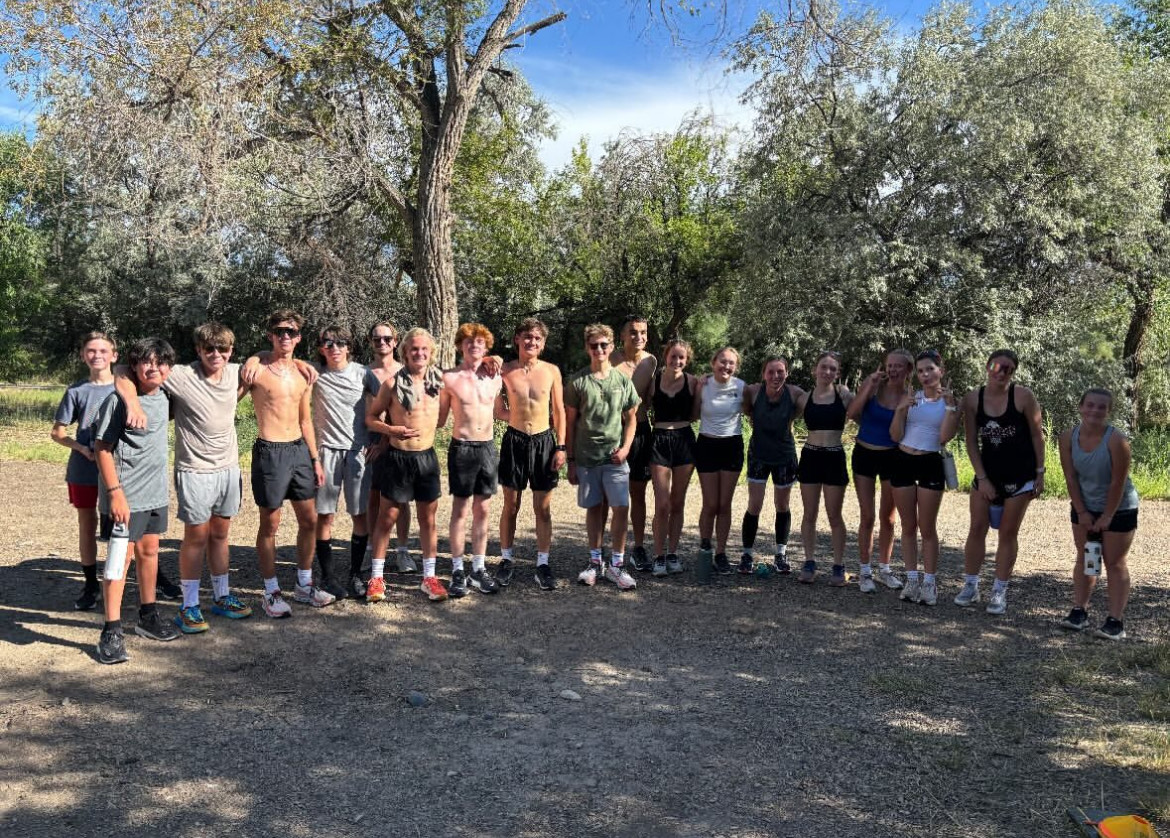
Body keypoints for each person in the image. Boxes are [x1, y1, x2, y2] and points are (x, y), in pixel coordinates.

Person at [115, 323, 253, 634]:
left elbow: (267, 363)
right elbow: (123, 369)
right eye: (209, 349)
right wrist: (133, 403)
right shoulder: (180, 374)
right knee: (196, 537)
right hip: (194, 469)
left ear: (231, 351)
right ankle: (188, 605)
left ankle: (221, 595)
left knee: (220, 534)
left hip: (229, 467)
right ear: (198, 350)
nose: (216, 354)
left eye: (223, 349)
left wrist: (256, 360)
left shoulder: (237, 372)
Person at [92, 338, 180, 663]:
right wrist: (115, 494)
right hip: (125, 499)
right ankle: (111, 630)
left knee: (150, 552)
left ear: (169, 368)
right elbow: (102, 448)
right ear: (134, 366)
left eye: (160, 362)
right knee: (120, 561)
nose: (152, 367)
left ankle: (148, 616)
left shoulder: (168, 396)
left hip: (155, 494)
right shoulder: (118, 401)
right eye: (145, 361)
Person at [244, 309, 334, 616]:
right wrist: (253, 357)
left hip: (298, 450)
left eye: (292, 332)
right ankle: (270, 592)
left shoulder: (303, 373)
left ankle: (304, 585)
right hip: (270, 450)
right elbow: (227, 398)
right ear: (270, 334)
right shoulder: (256, 369)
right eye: (280, 330)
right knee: (270, 524)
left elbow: (305, 420)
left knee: (309, 520)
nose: (286, 336)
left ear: (298, 337)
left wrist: (315, 460)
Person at [955, 349, 1046, 615]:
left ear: (1013, 372)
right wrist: (982, 478)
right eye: (998, 366)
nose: (1002, 372)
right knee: (977, 529)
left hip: (1020, 475)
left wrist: (1040, 472)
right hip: (988, 473)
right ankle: (970, 585)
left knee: (1007, 533)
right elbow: (971, 440)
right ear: (988, 366)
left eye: (1009, 368)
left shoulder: (1023, 396)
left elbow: (1037, 435)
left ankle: (999, 590)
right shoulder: (973, 399)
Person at [365, 328, 446, 602]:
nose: (419, 353)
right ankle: (376, 578)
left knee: (428, 520)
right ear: (405, 352)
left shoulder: (440, 382)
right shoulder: (391, 383)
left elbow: (469, 373)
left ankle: (429, 578)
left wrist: (489, 359)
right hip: (398, 458)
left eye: (424, 349)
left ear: (431, 352)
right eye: (414, 349)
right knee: (387, 518)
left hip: (426, 458)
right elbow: (371, 418)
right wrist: (391, 431)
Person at [1058, 388, 1140, 640]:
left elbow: (1118, 482)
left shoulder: (1117, 441)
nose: (1095, 411)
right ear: (1081, 407)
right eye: (1090, 405)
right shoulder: (1067, 437)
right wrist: (1081, 511)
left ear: (1109, 411)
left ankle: (1115, 621)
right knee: (1088, 556)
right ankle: (1080, 611)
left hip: (1119, 507)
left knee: (1114, 562)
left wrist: (1106, 516)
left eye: (1101, 407)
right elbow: (1070, 476)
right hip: (1085, 505)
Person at [566, 323, 640, 590]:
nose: (599, 349)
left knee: (621, 507)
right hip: (587, 457)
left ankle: (617, 565)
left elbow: (632, 419)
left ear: (611, 347)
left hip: (615, 458)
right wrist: (571, 460)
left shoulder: (622, 380)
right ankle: (595, 562)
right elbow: (570, 423)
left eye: (604, 345)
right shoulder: (577, 381)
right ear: (587, 347)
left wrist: (626, 448)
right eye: (594, 345)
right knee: (594, 508)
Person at [496, 318, 567, 590]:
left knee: (543, 508)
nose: (532, 342)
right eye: (527, 337)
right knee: (510, 506)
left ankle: (543, 563)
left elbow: (559, 411)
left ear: (543, 343)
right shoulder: (505, 370)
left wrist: (560, 446)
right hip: (514, 440)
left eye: (537, 338)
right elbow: (498, 409)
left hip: (544, 441)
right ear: (517, 339)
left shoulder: (551, 371)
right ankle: (506, 559)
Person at [51, 331, 119, 611]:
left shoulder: (125, 387)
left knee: (126, 525)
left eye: (103, 350)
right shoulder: (76, 391)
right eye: (91, 351)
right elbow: (57, 432)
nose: (97, 355)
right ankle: (91, 584)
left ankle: (142, 578)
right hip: (84, 469)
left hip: (118, 468)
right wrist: (81, 448)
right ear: (83, 356)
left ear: (114, 355)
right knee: (87, 525)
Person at [889, 349, 961, 606]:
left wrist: (951, 408)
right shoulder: (912, 397)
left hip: (930, 461)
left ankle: (929, 583)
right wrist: (900, 410)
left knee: (927, 527)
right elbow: (896, 436)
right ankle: (911, 581)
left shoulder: (949, 401)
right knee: (908, 526)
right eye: (920, 371)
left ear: (941, 370)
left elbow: (944, 437)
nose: (925, 375)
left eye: (930, 369)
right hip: (903, 460)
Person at [439, 323, 502, 596]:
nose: (474, 345)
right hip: (462, 448)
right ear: (460, 345)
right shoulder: (448, 378)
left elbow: (501, 411)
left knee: (483, 510)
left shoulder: (495, 376)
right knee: (461, 510)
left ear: (486, 347)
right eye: (468, 341)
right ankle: (456, 570)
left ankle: (478, 568)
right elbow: (439, 418)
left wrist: (535, 421)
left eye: (479, 341)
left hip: (487, 447)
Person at [845, 349, 913, 593]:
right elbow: (851, 413)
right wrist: (868, 386)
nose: (893, 370)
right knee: (868, 516)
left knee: (888, 518)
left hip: (892, 456)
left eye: (898, 366)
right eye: (890, 365)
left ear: (908, 371)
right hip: (864, 454)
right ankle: (865, 571)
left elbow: (903, 432)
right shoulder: (873, 386)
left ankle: (884, 569)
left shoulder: (910, 396)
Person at [311, 324, 370, 600]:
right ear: (321, 348)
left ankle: (356, 574)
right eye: (328, 343)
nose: (334, 348)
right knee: (325, 515)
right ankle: (328, 576)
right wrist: (255, 358)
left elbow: (388, 401)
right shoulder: (313, 373)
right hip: (327, 452)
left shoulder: (363, 373)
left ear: (349, 347)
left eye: (340, 343)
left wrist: (380, 442)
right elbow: (273, 358)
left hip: (358, 452)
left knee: (359, 514)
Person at [360, 322, 413, 591]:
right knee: (373, 497)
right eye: (377, 338)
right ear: (371, 342)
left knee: (400, 499)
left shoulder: (405, 371)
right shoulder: (364, 372)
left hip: (398, 439)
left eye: (387, 338)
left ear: (395, 342)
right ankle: (372, 548)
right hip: (371, 439)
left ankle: (402, 550)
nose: (382, 342)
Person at [741, 356, 805, 575]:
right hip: (759, 453)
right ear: (763, 374)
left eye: (780, 372)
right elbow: (746, 409)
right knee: (755, 504)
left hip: (784, 455)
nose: (776, 376)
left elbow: (808, 408)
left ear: (786, 373)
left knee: (782, 504)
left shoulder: (795, 393)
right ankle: (747, 554)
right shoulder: (753, 391)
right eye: (771, 372)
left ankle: (781, 553)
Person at [794, 352, 854, 584]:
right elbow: (780, 412)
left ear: (837, 373)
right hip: (810, 456)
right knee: (809, 514)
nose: (827, 372)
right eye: (824, 367)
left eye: (832, 369)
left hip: (834, 456)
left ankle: (838, 566)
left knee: (834, 515)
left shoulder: (844, 396)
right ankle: (809, 562)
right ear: (814, 369)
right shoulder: (804, 398)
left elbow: (866, 406)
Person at [646, 339, 697, 576]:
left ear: (687, 360)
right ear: (665, 356)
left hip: (685, 440)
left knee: (678, 503)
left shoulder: (693, 382)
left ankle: (673, 553)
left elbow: (696, 413)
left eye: (682, 358)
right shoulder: (653, 381)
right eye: (673, 356)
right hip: (659, 440)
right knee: (662, 503)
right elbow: (642, 407)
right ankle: (658, 555)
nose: (677, 361)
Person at [693, 346, 746, 573]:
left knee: (724, 504)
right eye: (722, 361)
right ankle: (705, 545)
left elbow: (756, 409)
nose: (726, 366)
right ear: (713, 362)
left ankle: (721, 552)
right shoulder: (702, 385)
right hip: (707, 445)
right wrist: (696, 389)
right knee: (710, 503)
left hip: (732, 445)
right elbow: (694, 414)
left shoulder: (742, 387)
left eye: (731, 363)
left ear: (736, 366)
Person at [610, 315, 657, 571]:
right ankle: (606, 550)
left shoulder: (651, 361)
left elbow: (649, 399)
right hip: (612, 432)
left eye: (642, 332)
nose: (638, 336)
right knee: (611, 494)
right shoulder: (610, 359)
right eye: (633, 332)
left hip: (640, 431)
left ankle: (638, 548)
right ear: (623, 336)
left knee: (638, 493)